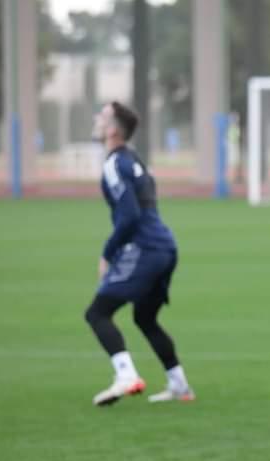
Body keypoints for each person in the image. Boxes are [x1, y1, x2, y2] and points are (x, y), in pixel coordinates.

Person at [85, 101, 194, 406]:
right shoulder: (134, 159)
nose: (96, 119)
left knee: (97, 313)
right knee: (145, 317)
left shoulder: (114, 164)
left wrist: (108, 253)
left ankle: (126, 376)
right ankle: (179, 385)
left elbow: (130, 215)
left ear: (113, 130)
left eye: (102, 116)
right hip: (165, 246)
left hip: (146, 248)